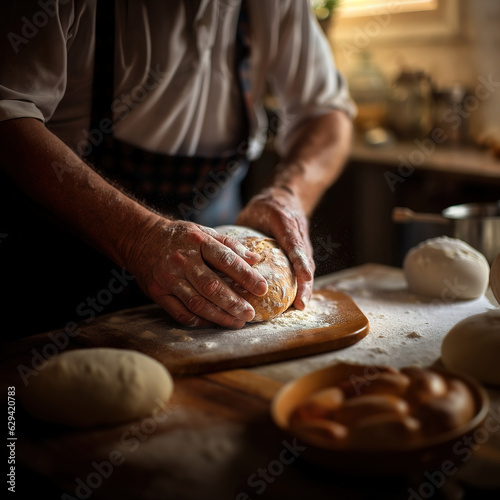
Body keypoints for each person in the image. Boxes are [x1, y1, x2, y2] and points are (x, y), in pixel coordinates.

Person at [0, 0, 354, 337]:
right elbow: (7, 111)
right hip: (65, 268)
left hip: (215, 287)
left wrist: (288, 193)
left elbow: (326, 113)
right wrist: (138, 237)